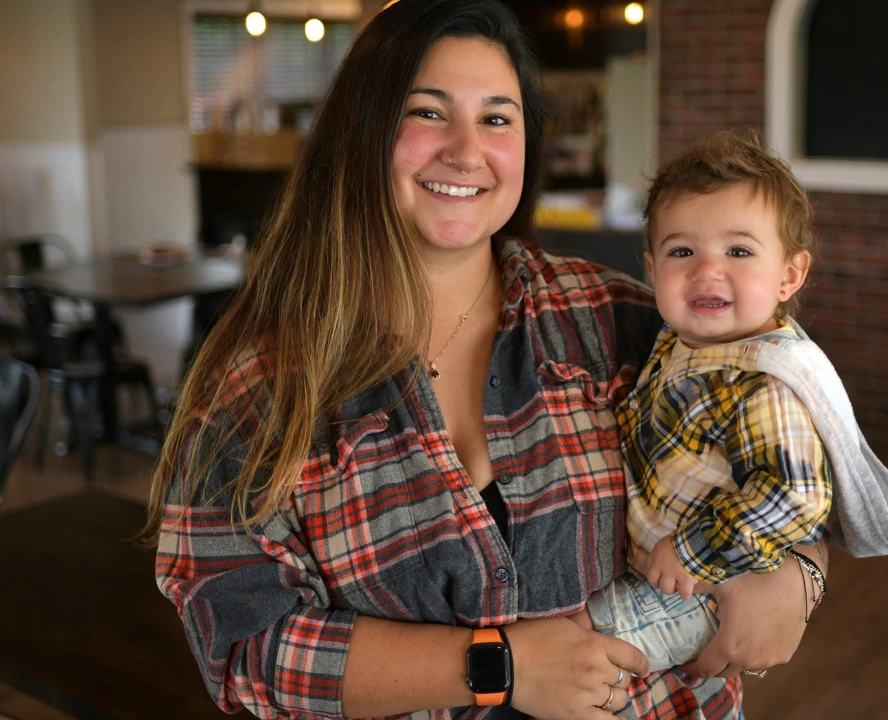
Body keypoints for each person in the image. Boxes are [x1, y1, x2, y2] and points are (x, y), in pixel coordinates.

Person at [143, 2, 828, 718]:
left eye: (497, 118)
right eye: (428, 113)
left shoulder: (620, 320)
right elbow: (244, 648)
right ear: (362, 131)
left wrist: (800, 576)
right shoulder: (260, 387)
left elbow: (794, 464)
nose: (466, 151)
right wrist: (497, 664)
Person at [572, 131, 888, 675]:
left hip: (709, 585)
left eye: (738, 251)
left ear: (789, 275)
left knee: (580, 653)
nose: (707, 271)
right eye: (682, 251)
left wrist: (692, 551)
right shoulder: (682, 342)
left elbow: (796, 496)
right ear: (652, 268)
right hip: (666, 572)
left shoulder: (763, 381)